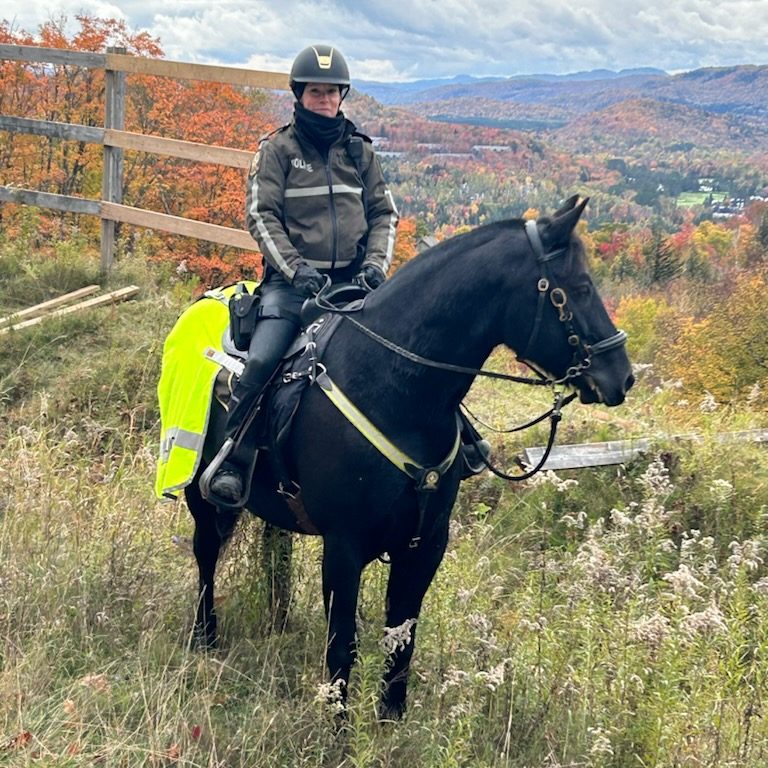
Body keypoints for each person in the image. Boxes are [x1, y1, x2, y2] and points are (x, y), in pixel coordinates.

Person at [205, 44, 400, 506]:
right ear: (299, 95)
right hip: (291, 288)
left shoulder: (360, 152)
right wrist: (297, 271)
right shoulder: (276, 150)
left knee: (406, 346)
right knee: (262, 361)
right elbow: (261, 216)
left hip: (355, 283)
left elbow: (383, 215)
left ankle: (462, 440)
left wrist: (375, 265)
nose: (326, 101)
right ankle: (235, 458)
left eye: (333, 93)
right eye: (316, 92)